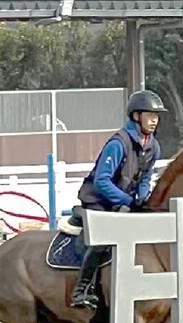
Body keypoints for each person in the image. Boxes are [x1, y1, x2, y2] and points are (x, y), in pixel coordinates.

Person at [69, 90, 167, 309]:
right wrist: (127, 201)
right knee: (104, 236)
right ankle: (81, 290)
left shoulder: (153, 146)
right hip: (98, 199)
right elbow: (102, 182)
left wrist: (141, 198)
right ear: (136, 116)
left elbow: (145, 178)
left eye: (157, 116)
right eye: (150, 116)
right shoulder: (118, 143)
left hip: (122, 201)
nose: (154, 121)